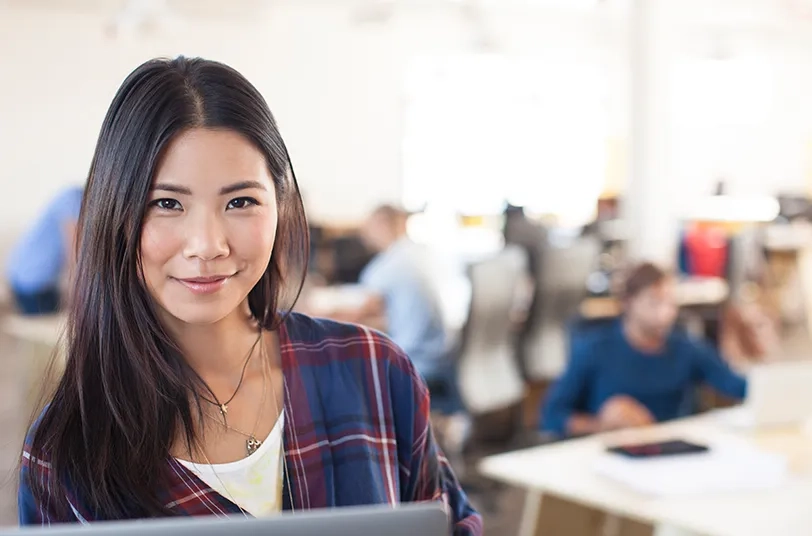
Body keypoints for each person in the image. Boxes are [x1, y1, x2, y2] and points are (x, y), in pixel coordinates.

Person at [18, 57, 481, 535]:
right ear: (116, 215)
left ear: (280, 206)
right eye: (166, 204)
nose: (208, 245)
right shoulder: (66, 453)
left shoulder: (373, 371)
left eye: (240, 202)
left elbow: (451, 523)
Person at [540, 262, 747, 437]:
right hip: (610, 451)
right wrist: (600, 425)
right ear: (628, 302)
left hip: (668, 453)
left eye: (670, 303)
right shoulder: (594, 349)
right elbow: (551, 416)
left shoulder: (686, 347)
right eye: (654, 303)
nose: (664, 313)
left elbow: (737, 386)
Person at [6, 185, 83, 314]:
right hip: (32, 288)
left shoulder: (69, 197)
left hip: (20, 281)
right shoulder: (73, 200)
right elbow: (75, 258)